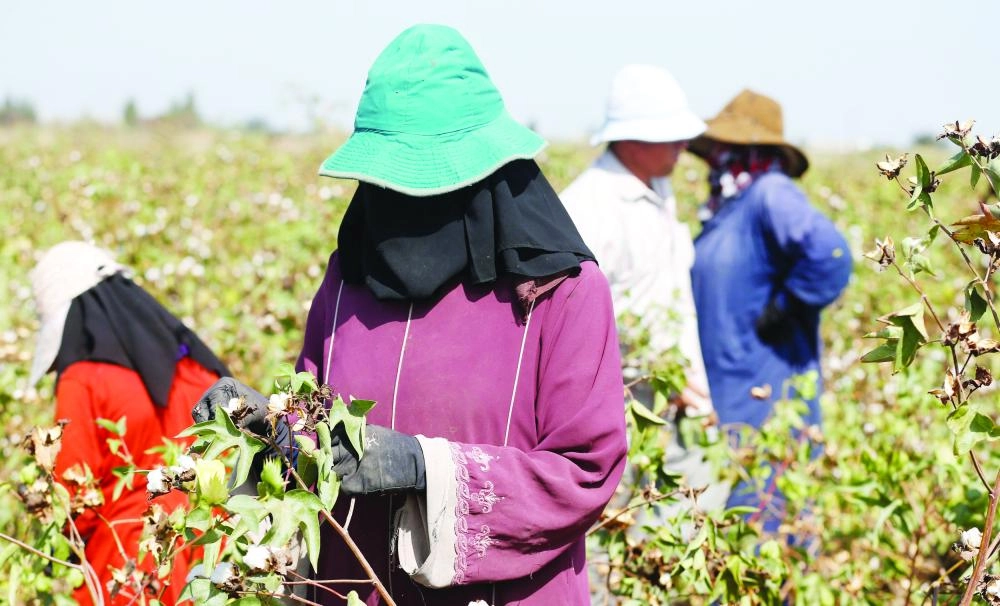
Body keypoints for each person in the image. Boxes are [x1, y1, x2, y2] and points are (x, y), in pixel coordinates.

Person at [193, 24, 627, 606]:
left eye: (423, 187)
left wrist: (426, 468)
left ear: (483, 179)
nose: (402, 207)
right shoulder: (347, 283)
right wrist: (264, 427)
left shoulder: (559, 292)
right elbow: (319, 442)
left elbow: (586, 471)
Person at [28, 241, 229, 605]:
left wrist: (49, 552)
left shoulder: (84, 379)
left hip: (131, 567)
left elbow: (74, 501)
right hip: (213, 554)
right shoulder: (192, 365)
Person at [687, 90, 852, 529]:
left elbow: (829, 254)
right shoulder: (731, 204)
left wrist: (786, 306)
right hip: (732, 390)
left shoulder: (770, 193)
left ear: (744, 150)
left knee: (762, 527)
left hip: (764, 397)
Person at [561, 64, 714, 425]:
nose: (683, 145)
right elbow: (577, 326)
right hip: (626, 406)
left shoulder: (659, 188)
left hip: (677, 397)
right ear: (633, 139)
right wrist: (659, 371)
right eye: (670, 135)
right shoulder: (588, 208)